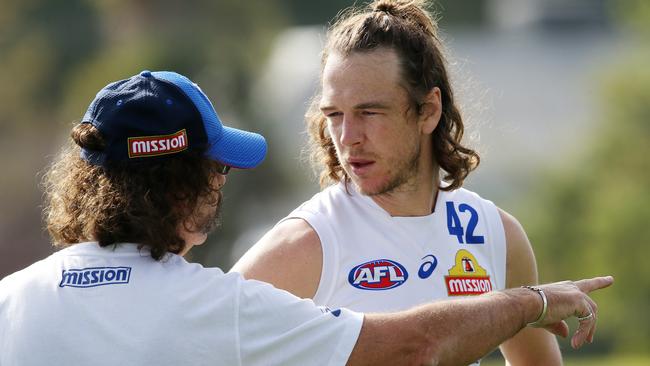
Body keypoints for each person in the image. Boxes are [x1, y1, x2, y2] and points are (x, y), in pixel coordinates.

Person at [0, 70, 612, 366]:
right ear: (186, 185)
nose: (221, 183)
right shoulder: (221, 307)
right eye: (217, 170)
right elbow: (415, 347)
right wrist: (530, 302)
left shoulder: (9, 302)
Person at [231, 0, 590, 364]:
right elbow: (192, 344)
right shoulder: (304, 244)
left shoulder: (497, 234)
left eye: (370, 112)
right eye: (335, 115)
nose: (348, 136)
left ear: (429, 110)